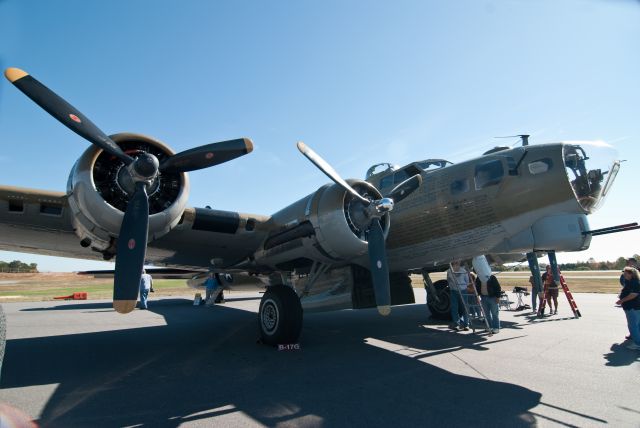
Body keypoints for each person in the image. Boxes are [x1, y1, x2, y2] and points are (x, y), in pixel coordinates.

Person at [617, 267, 640, 350]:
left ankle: (638, 344)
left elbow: (633, 294)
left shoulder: (635, 283)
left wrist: (622, 300)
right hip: (633, 307)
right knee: (637, 325)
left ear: (631, 274)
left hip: (633, 307)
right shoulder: (629, 282)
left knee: (633, 326)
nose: (624, 275)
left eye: (626, 273)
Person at [446, 261, 469, 331]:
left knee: (464, 307)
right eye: (455, 263)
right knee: (454, 308)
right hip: (453, 291)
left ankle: (466, 324)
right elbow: (448, 280)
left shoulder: (463, 270)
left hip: (463, 290)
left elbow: (467, 281)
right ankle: (456, 323)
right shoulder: (449, 271)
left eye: (457, 263)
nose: (456, 264)